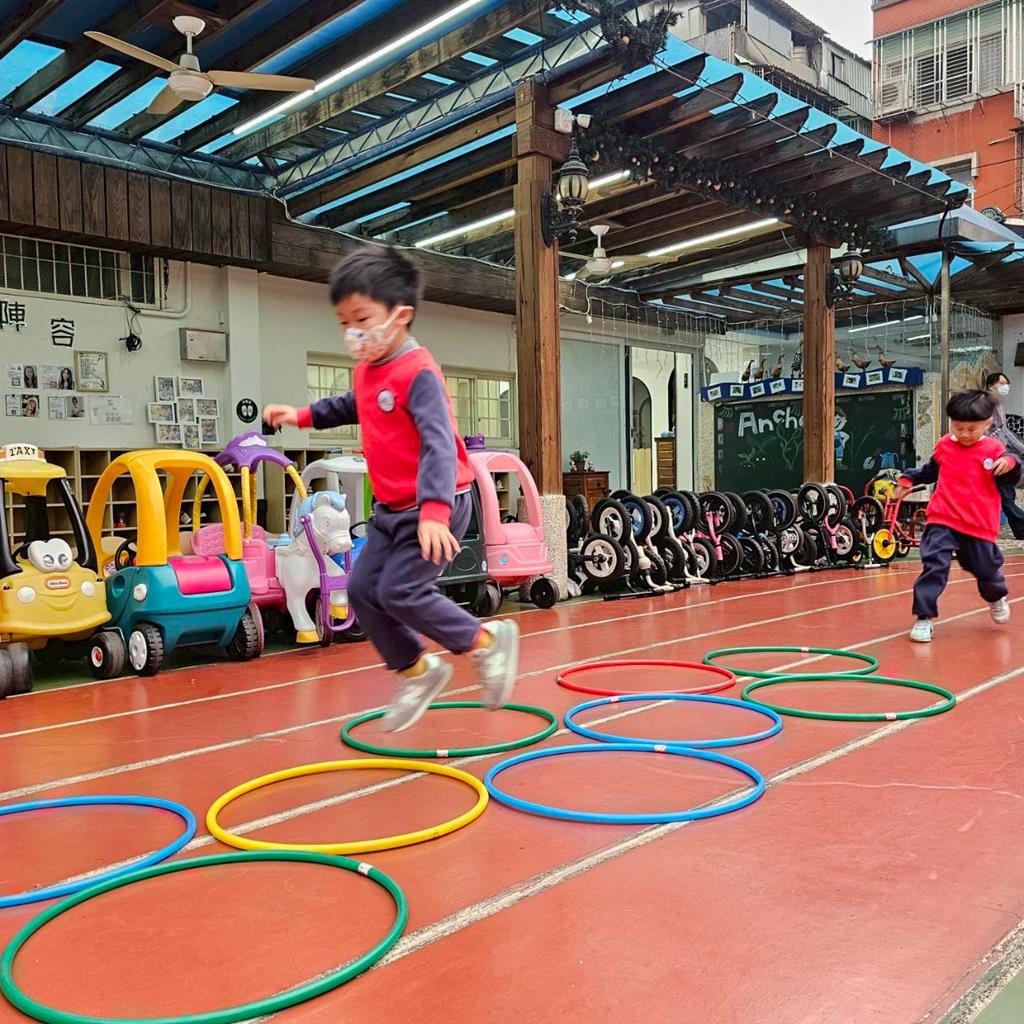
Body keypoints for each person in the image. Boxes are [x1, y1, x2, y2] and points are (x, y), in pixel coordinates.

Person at [264, 246, 520, 731]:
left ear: (400, 315)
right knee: (363, 591)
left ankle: (487, 643)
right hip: (391, 510)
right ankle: (417, 670)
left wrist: (434, 512)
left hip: (438, 504)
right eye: (344, 323)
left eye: (361, 319)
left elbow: (439, 444)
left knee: (401, 591)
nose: (352, 333)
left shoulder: (418, 373)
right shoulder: (368, 369)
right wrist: (299, 415)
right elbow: (349, 405)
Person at [896, 389, 1022, 643]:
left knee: (985, 569)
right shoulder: (945, 445)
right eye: (958, 427)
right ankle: (924, 616)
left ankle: (996, 596)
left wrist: (1010, 463)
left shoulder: (994, 449)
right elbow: (929, 470)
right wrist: (908, 479)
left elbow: (1012, 472)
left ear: (987, 423)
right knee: (934, 564)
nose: (964, 434)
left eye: (971, 429)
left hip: (978, 524)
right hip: (942, 518)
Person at [984, 371, 1024, 540]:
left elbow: (1005, 432)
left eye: (1007, 383)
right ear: (990, 386)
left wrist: (1021, 449)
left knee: (1006, 492)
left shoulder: (998, 405)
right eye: (1001, 383)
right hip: (989, 456)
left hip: (1000, 455)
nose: (1005, 386)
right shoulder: (983, 404)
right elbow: (982, 430)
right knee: (1004, 493)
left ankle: (1019, 529)